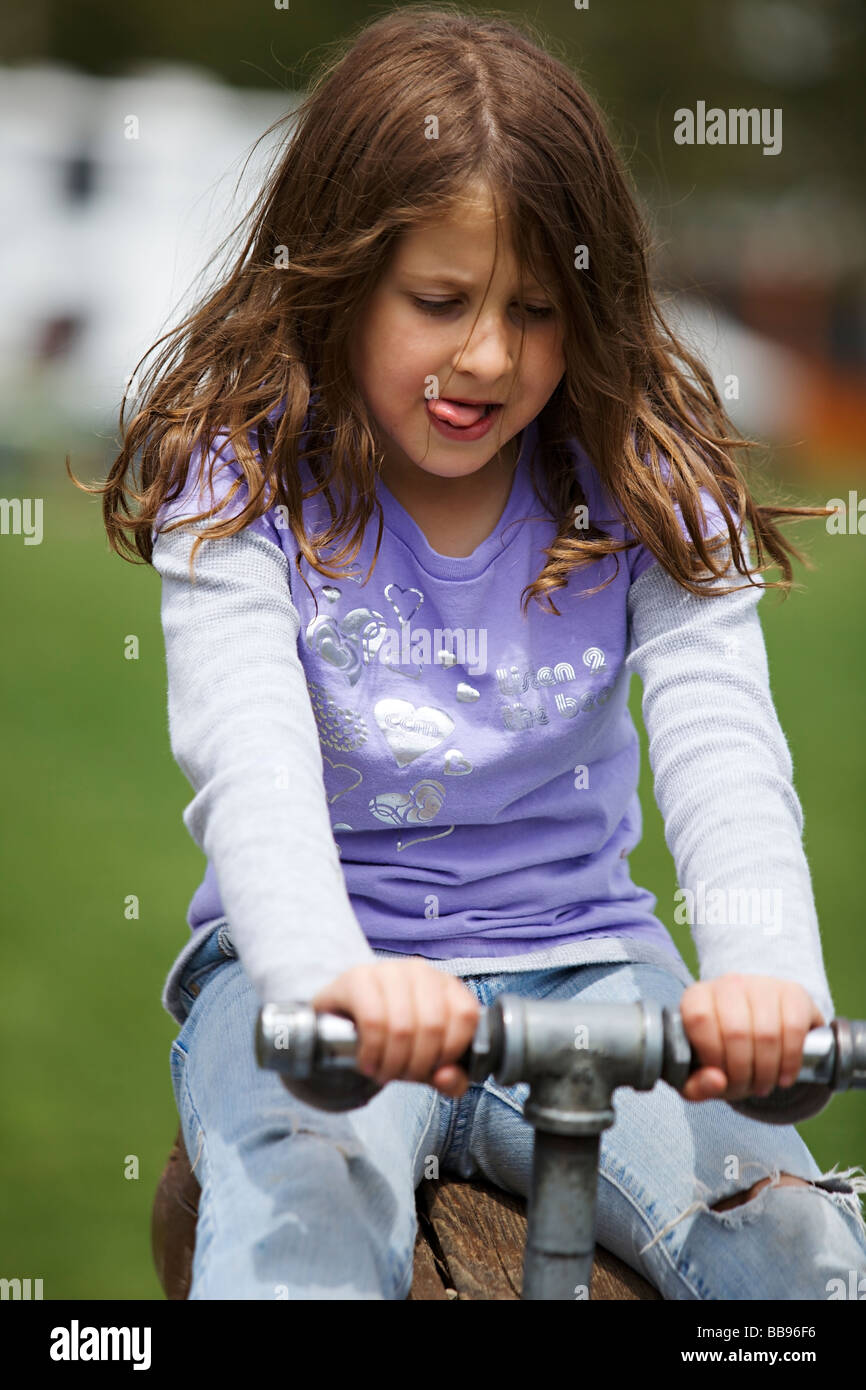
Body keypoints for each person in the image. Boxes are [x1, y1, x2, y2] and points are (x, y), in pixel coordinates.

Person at [79, 6, 866, 1298]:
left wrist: (766, 980)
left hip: (587, 958)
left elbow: (723, 745)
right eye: (439, 301)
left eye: (538, 311)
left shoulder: (636, 481)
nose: (490, 356)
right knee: (302, 1232)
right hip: (317, 974)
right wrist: (332, 981)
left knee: (792, 1248)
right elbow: (251, 767)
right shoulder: (243, 484)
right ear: (336, 274)